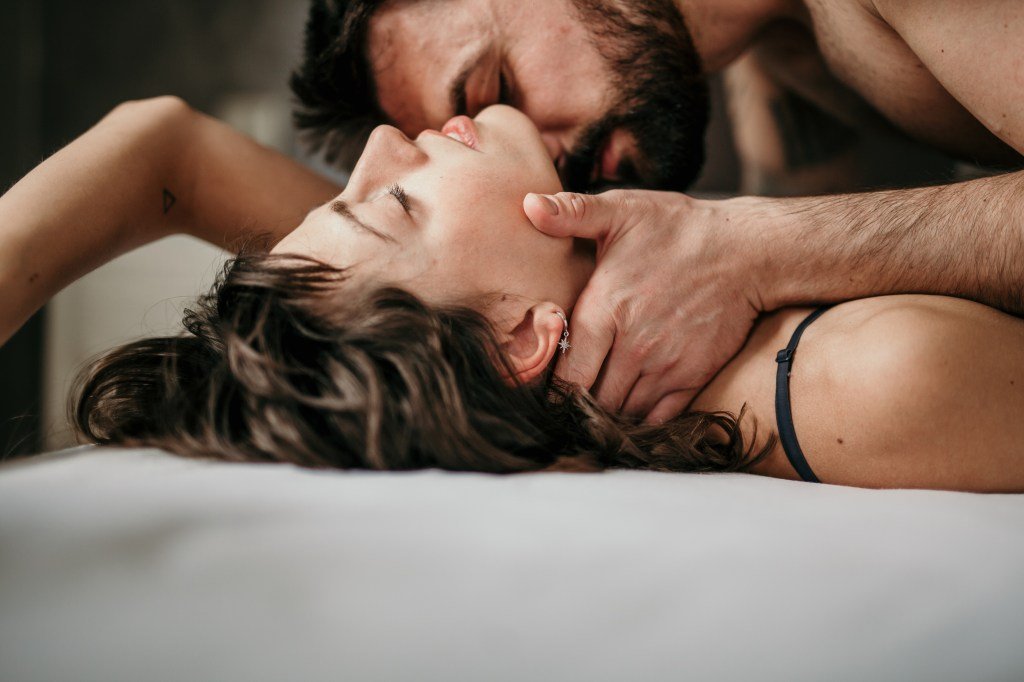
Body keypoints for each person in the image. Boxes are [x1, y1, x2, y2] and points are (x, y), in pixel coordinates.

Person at [3, 98, 1021, 491]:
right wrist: (756, 242)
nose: (371, 147)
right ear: (524, 343)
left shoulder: (483, 326)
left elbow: (163, 145)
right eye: (394, 202)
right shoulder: (874, 380)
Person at [290, 0, 1024, 423]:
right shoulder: (772, 58)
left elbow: (768, 263)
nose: (551, 163)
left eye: (497, 83)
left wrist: (758, 247)